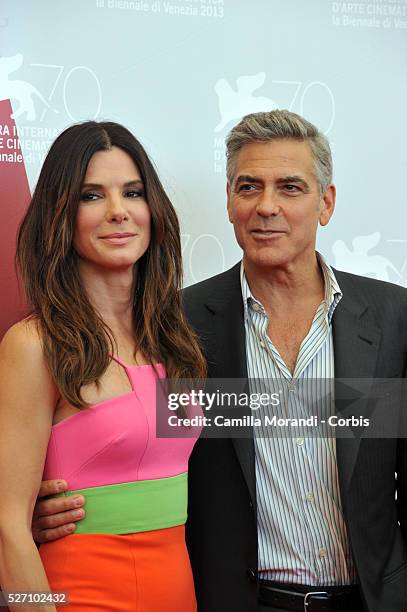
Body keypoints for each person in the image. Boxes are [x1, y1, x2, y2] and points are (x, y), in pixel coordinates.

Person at [33, 110, 407, 612]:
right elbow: (142, 452)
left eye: (290, 187)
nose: (266, 206)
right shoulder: (174, 326)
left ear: (326, 202)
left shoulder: (392, 318)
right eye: (249, 187)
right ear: (230, 201)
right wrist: (42, 513)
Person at [0, 121, 206, 611]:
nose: (118, 212)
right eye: (91, 196)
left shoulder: (174, 338)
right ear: (60, 216)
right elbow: (8, 525)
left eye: (132, 192)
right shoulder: (33, 345)